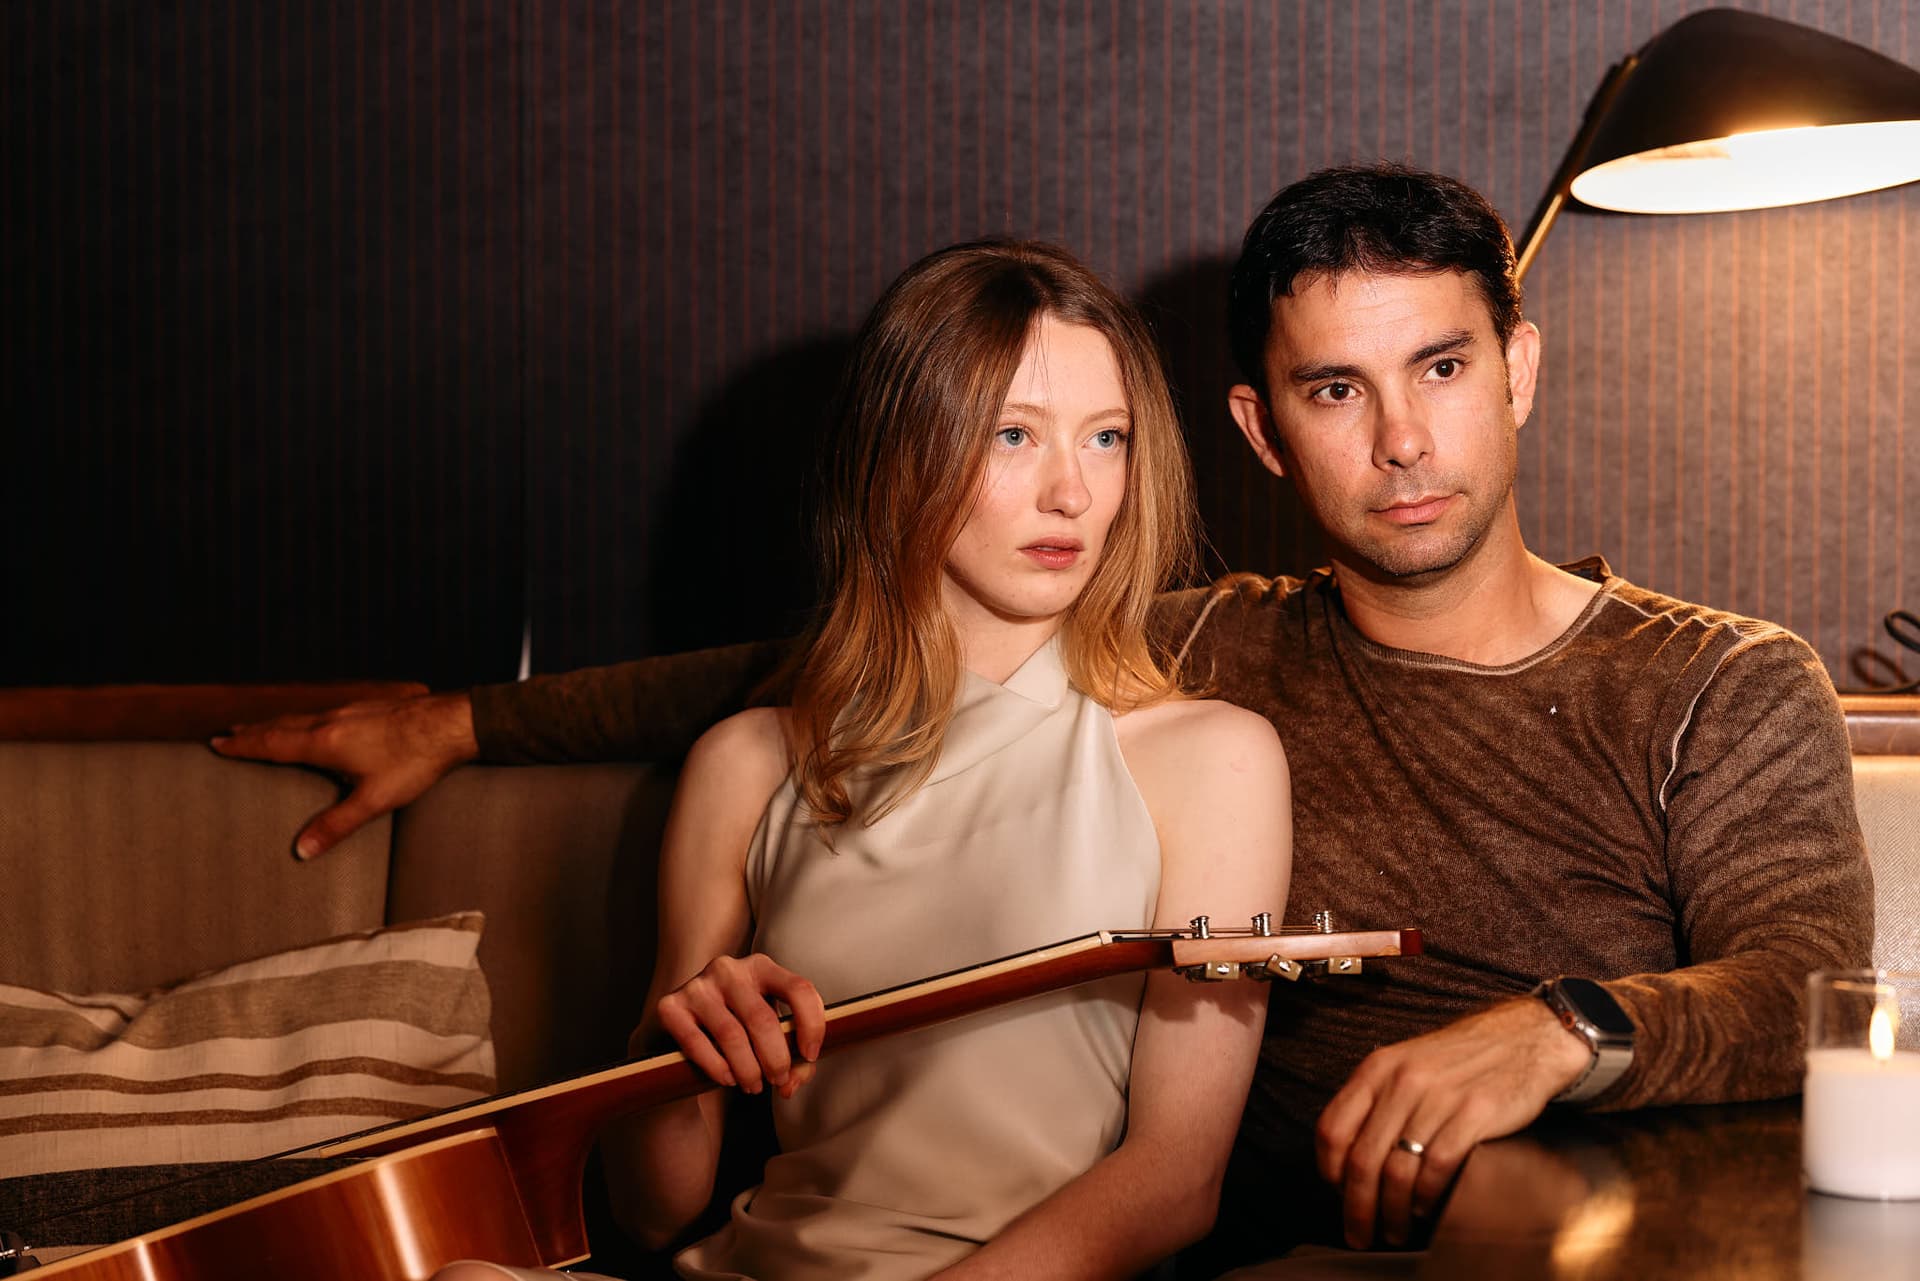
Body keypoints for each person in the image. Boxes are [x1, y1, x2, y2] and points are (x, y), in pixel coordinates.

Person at [217, 165, 1870, 1265]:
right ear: (1262, 427)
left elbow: (1813, 981)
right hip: (1264, 1244)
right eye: (1334, 390)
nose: (1403, 441)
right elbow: (828, 684)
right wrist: (472, 728)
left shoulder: (1716, 680)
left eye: (1442, 369)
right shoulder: (1211, 647)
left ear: (1517, 368)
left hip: (1554, 1214)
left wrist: (1561, 1032)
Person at [414, 240, 1289, 1280]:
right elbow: (656, 1211)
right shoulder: (747, 763)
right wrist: (680, 1043)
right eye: (1013, 435)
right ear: (901, 454)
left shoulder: (1211, 760)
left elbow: (1175, 1182)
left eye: (1108, 439)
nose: (1074, 493)